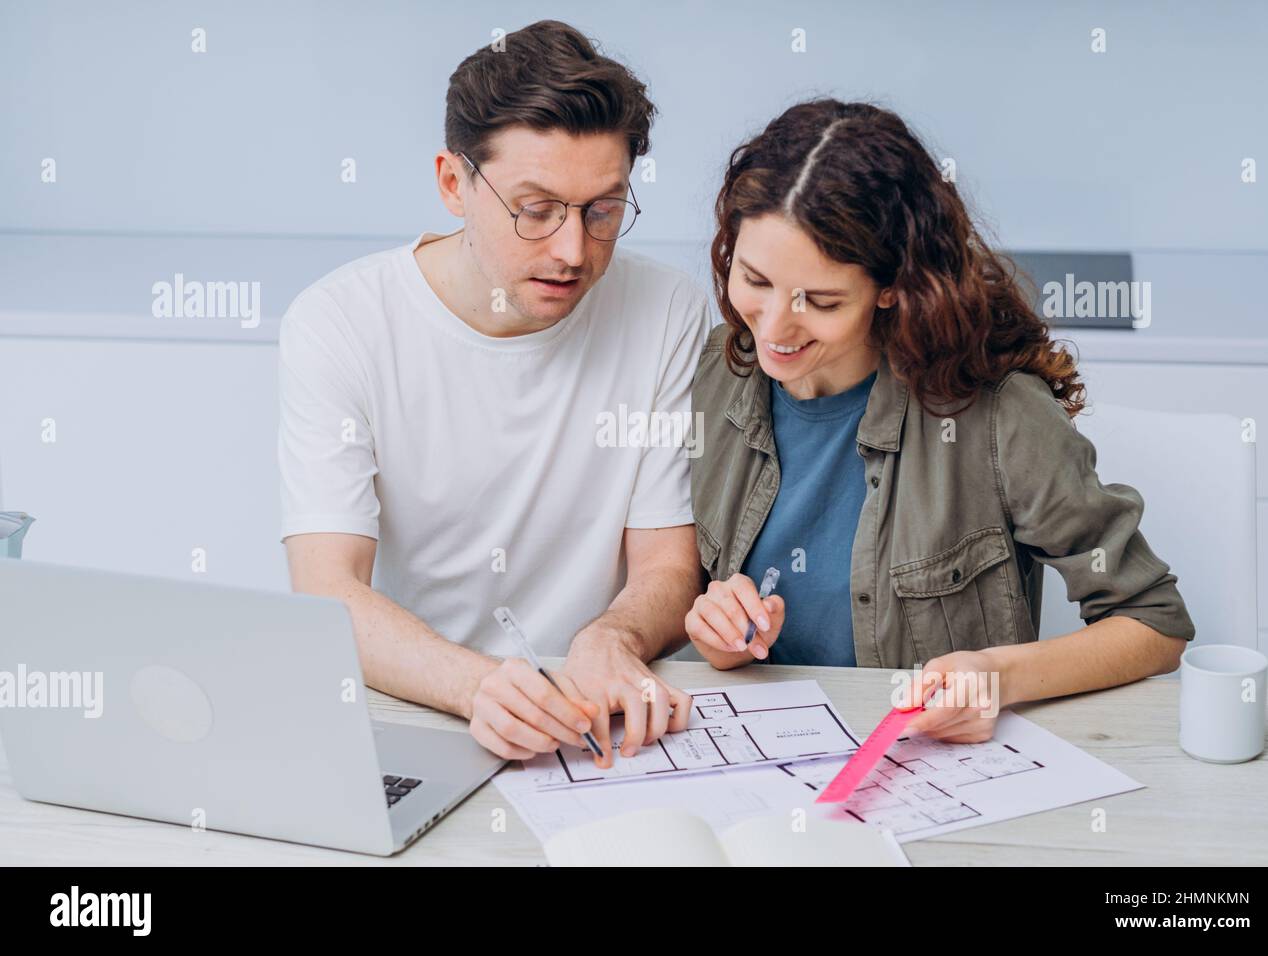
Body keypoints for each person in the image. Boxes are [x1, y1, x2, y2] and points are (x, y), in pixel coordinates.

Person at [685, 98, 1195, 742]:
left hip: (927, 773)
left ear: (893, 285)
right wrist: (722, 636)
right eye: (754, 279)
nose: (775, 328)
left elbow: (1154, 623)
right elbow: (699, 612)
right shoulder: (714, 375)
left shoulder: (998, 417)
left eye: (821, 300)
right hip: (756, 759)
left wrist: (997, 675)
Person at [278, 21, 710, 765]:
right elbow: (327, 589)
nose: (574, 251)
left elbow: (669, 565)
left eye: (603, 210)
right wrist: (477, 687)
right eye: (535, 210)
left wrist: (611, 639)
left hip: (607, 713)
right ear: (454, 183)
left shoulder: (670, 311)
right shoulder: (339, 321)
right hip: (423, 706)